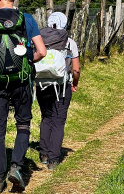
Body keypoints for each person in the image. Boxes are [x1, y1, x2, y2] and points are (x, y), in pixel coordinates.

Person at [0, 0, 46, 193]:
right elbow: (42, 52)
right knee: (23, 124)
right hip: (22, 82)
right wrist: (26, 61)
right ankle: (16, 166)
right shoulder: (27, 19)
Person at [35, 12, 80, 170]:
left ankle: (44, 154)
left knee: (46, 117)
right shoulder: (70, 42)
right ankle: (54, 159)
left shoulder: (40, 40)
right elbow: (76, 70)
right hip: (62, 85)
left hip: (42, 84)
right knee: (58, 120)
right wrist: (74, 83)